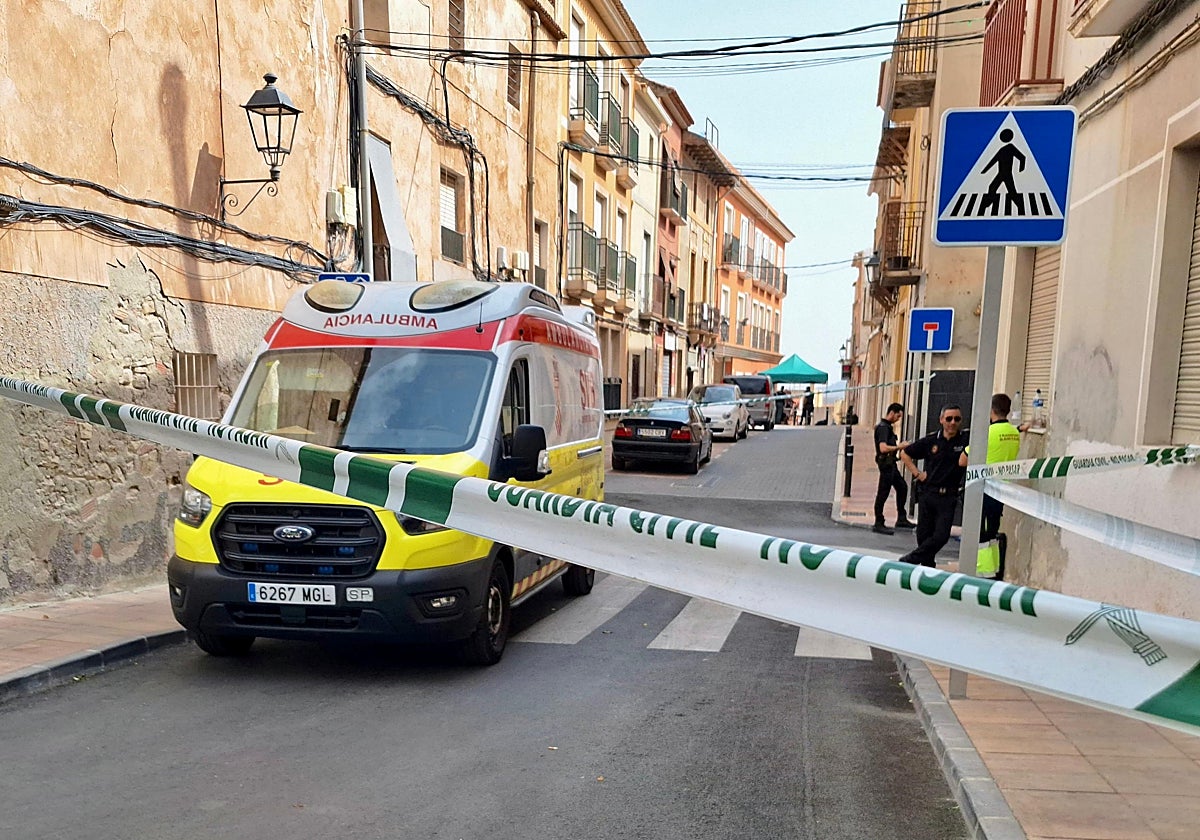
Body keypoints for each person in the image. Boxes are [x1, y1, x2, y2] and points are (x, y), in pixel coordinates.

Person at [897, 404, 969, 567]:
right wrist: (917, 473)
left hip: (948, 496)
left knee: (941, 536)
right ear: (941, 420)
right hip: (928, 493)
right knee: (923, 536)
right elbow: (905, 453)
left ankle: (911, 560)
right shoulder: (931, 440)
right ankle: (928, 568)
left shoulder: (965, 440)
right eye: (949, 419)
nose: (952, 422)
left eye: (956, 419)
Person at [969, 393, 1028, 579]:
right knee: (992, 531)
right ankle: (993, 570)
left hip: (983, 489)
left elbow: (964, 458)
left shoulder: (986, 433)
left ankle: (981, 572)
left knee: (981, 534)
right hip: (1002, 490)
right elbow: (1012, 433)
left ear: (991, 410)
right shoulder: (1013, 432)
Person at [872, 402, 914, 535]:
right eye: (898, 416)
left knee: (902, 487)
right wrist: (899, 447)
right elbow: (883, 448)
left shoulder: (886, 427)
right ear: (891, 413)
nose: (898, 420)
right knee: (883, 493)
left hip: (891, 464)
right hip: (886, 465)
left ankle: (901, 518)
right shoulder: (883, 428)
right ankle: (879, 522)